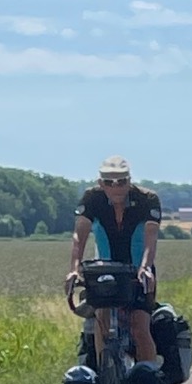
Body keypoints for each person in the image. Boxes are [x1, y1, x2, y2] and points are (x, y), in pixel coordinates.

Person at [68, 155, 162, 364]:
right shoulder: (92, 199)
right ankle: (106, 371)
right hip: (105, 270)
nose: (116, 187)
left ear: (129, 181)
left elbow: (151, 237)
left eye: (122, 181)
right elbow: (79, 236)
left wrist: (145, 267)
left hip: (137, 270)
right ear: (101, 183)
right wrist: (74, 269)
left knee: (139, 325)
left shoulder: (147, 199)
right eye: (109, 182)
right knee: (101, 320)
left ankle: (148, 375)